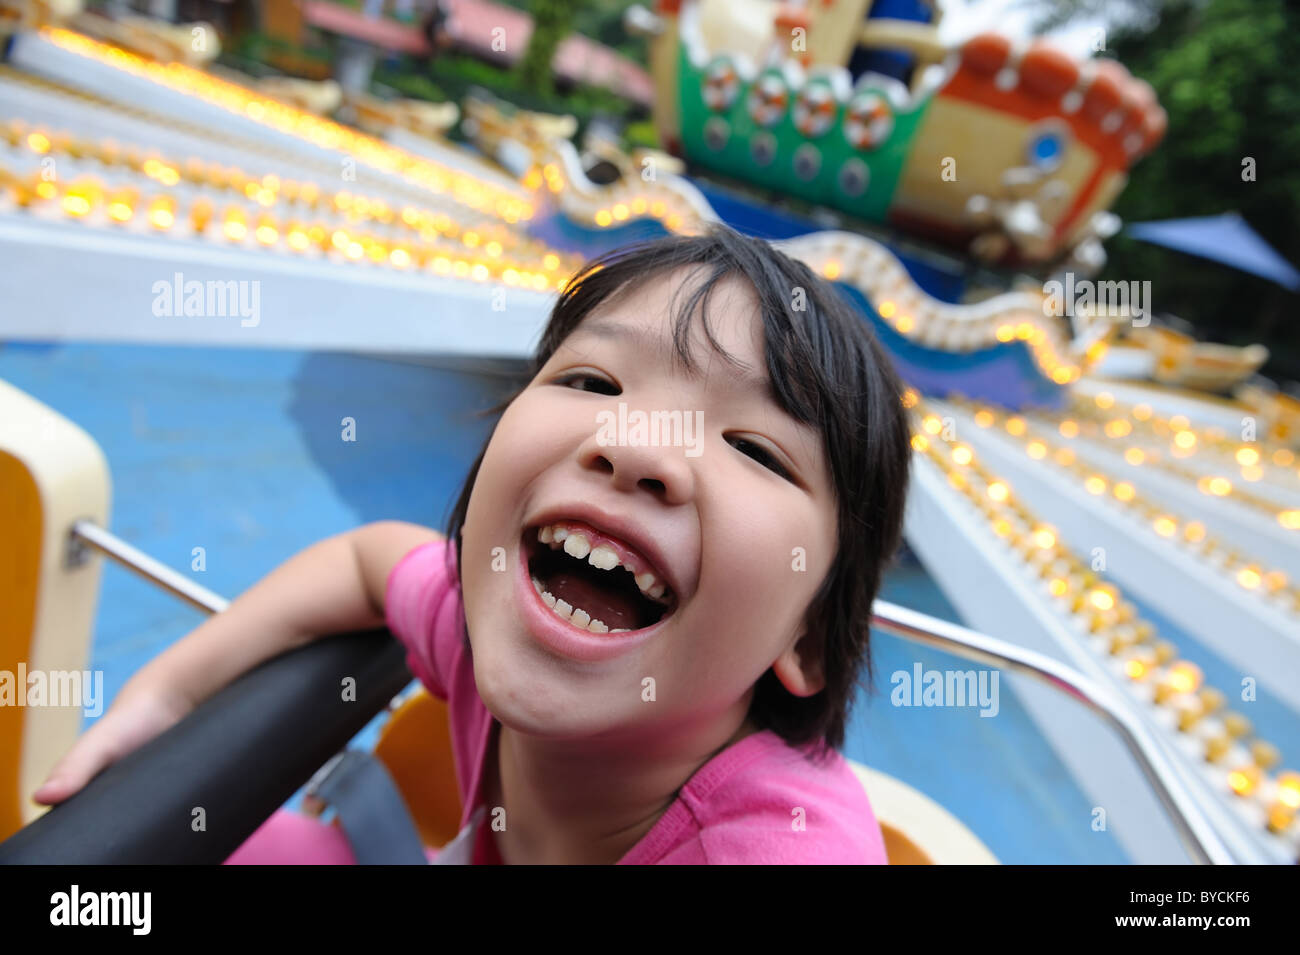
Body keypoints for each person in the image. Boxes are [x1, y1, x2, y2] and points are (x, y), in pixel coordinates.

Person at [32, 224, 913, 864]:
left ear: (809, 637)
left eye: (753, 447)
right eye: (593, 379)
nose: (639, 446)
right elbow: (367, 560)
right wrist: (170, 696)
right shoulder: (490, 626)